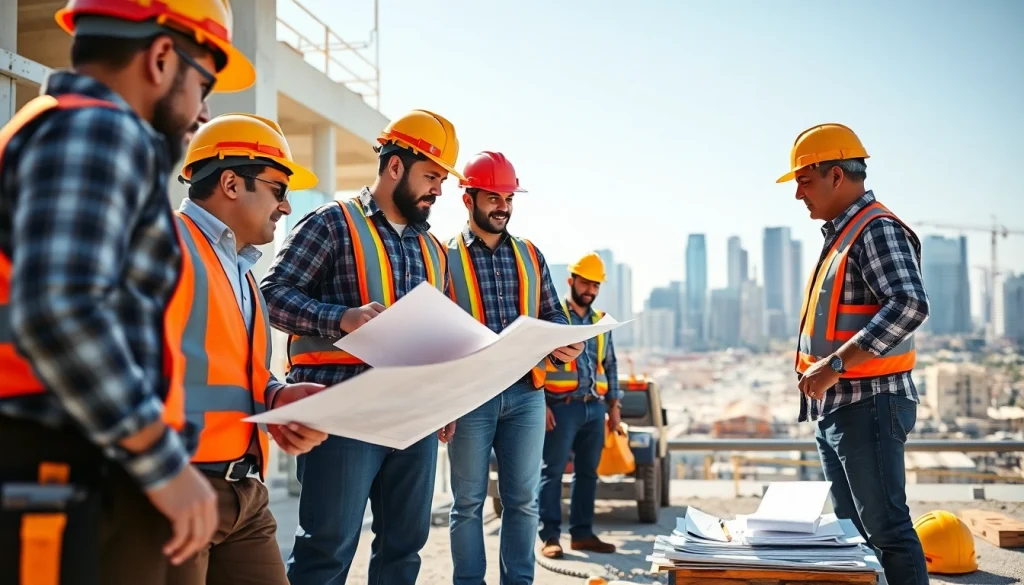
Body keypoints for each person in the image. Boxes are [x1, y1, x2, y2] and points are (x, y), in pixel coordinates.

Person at [0, 1, 255, 584]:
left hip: (76, 470)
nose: (204, 110)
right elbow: (62, 311)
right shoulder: (99, 127)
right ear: (162, 57)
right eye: (204, 82)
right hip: (71, 475)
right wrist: (165, 466)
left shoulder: (60, 125)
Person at [260, 109, 460, 585]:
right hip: (343, 415)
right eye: (431, 176)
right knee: (327, 549)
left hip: (413, 419)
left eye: (442, 180)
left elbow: (437, 336)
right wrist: (342, 318)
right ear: (395, 166)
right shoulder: (331, 223)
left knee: (404, 550)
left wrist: (446, 398)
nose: (437, 189)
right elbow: (272, 297)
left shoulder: (433, 249)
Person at [167, 112, 328, 585]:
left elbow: (232, 367)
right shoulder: (166, 246)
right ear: (232, 183)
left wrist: (275, 397)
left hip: (244, 490)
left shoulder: (244, 273)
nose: (285, 206)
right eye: (279, 188)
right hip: (180, 485)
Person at [779, 123, 930, 585]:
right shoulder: (843, 233)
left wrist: (835, 365)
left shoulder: (874, 229)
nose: (799, 193)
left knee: (886, 530)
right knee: (854, 536)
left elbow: (909, 303)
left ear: (837, 176)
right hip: (840, 408)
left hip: (869, 403)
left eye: (805, 180)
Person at [440, 150, 583, 585]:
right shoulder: (442, 256)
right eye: (493, 197)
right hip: (470, 398)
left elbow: (553, 313)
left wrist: (565, 340)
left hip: (525, 394)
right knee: (467, 502)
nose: (503, 206)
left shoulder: (530, 254)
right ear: (468, 200)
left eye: (508, 197)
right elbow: (432, 332)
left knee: (522, 500)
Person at [537, 251, 621, 559]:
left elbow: (609, 364)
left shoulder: (600, 321)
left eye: (596, 285)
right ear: (571, 281)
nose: (591, 290)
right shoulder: (554, 316)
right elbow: (537, 361)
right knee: (552, 472)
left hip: (593, 407)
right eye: (586, 283)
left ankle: (583, 534)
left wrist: (613, 407)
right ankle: (550, 537)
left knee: (588, 473)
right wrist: (541, 404)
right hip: (560, 407)